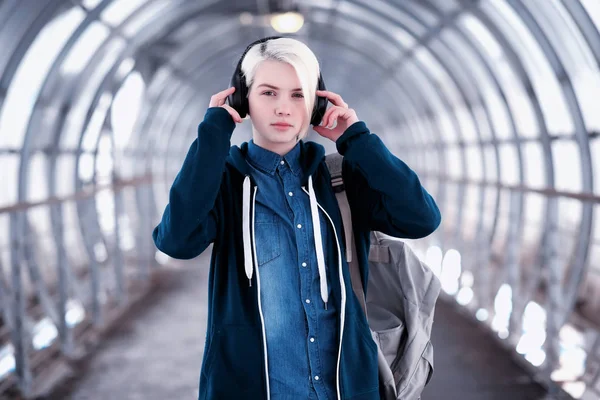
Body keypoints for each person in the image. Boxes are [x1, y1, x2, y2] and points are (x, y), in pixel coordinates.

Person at [152, 36, 441, 400]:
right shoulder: (224, 182)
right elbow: (175, 241)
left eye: (297, 94)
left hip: (346, 389)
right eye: (268, 93)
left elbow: (421, 218)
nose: (283, 108)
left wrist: (356, 138)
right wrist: (212, 135)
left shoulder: (341, 179)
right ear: (243, 100)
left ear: (316, 104)